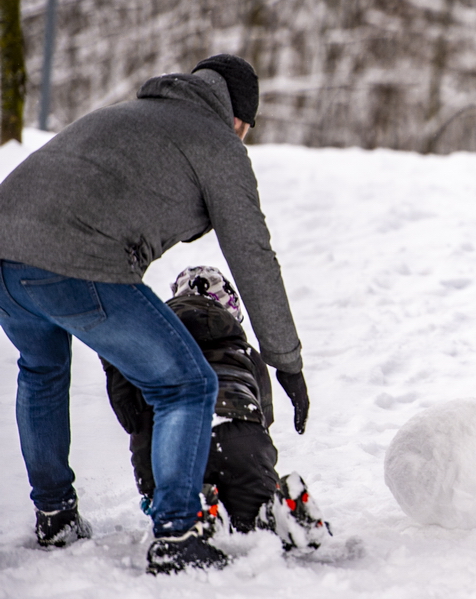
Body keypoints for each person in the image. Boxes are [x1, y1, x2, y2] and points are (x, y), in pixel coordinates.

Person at [0, 54, 311, 574]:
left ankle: (55, 514)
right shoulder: (218, 145)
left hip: (6, 256)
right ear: (239, 119)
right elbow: (252, 255)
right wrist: (286, 360)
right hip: (79, 262)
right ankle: (177, 533)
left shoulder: (124, 115)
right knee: (187, 384)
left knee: (42, 371)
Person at [103, 266, 329, 550]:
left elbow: (137, 422)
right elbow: (261, 421)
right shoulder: (246, 354)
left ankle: (203, 513)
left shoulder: (148, 344)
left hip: (172, 445)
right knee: (254, 518)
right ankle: (279, 511)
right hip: (239, 437)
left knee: (181, 508)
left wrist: (150, 488)